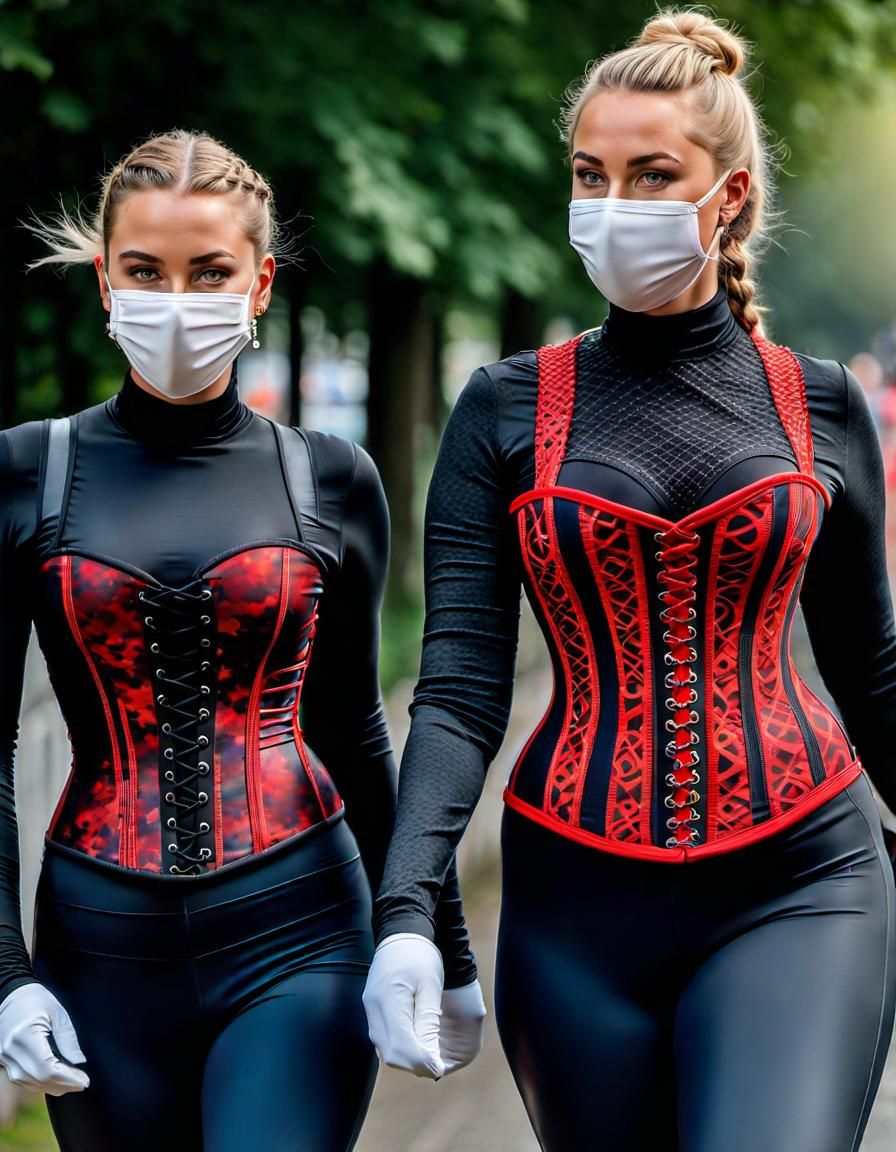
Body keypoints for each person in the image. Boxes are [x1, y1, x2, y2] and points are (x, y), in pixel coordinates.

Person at [362, 9, 896, 1150]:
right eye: (589, 175)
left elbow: (874, 672)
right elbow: (457, 691)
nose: (613, 204)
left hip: (804, 881)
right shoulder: (503, 409)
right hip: (573, 909)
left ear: (729, 196)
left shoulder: (819, 404)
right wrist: (406, 907)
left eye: (652, 175)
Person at [3, 128, 475, 1152]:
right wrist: (5, 975)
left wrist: (436, 941)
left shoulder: (331, 478)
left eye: (209, 271)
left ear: (258, 284)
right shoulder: (26, 472)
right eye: (145, 271)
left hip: (300, 933)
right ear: (104, 280)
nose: (176, 299)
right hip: (95, 949)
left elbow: (354, 730)